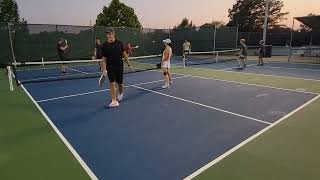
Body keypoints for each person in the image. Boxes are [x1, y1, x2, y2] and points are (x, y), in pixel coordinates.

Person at [99, 27, 133, 108]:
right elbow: (103, 59)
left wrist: (129, 65)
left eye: (110, 33)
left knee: (120, 83)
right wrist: (104, 70)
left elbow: (125, 55)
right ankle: (114, 101)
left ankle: (120, 94)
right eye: (107, 34)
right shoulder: (104, 45)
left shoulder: (120, 43)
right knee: (112, 83)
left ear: (114, 34)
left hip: (119, 67)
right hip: (110, 67)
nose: (109, 35)